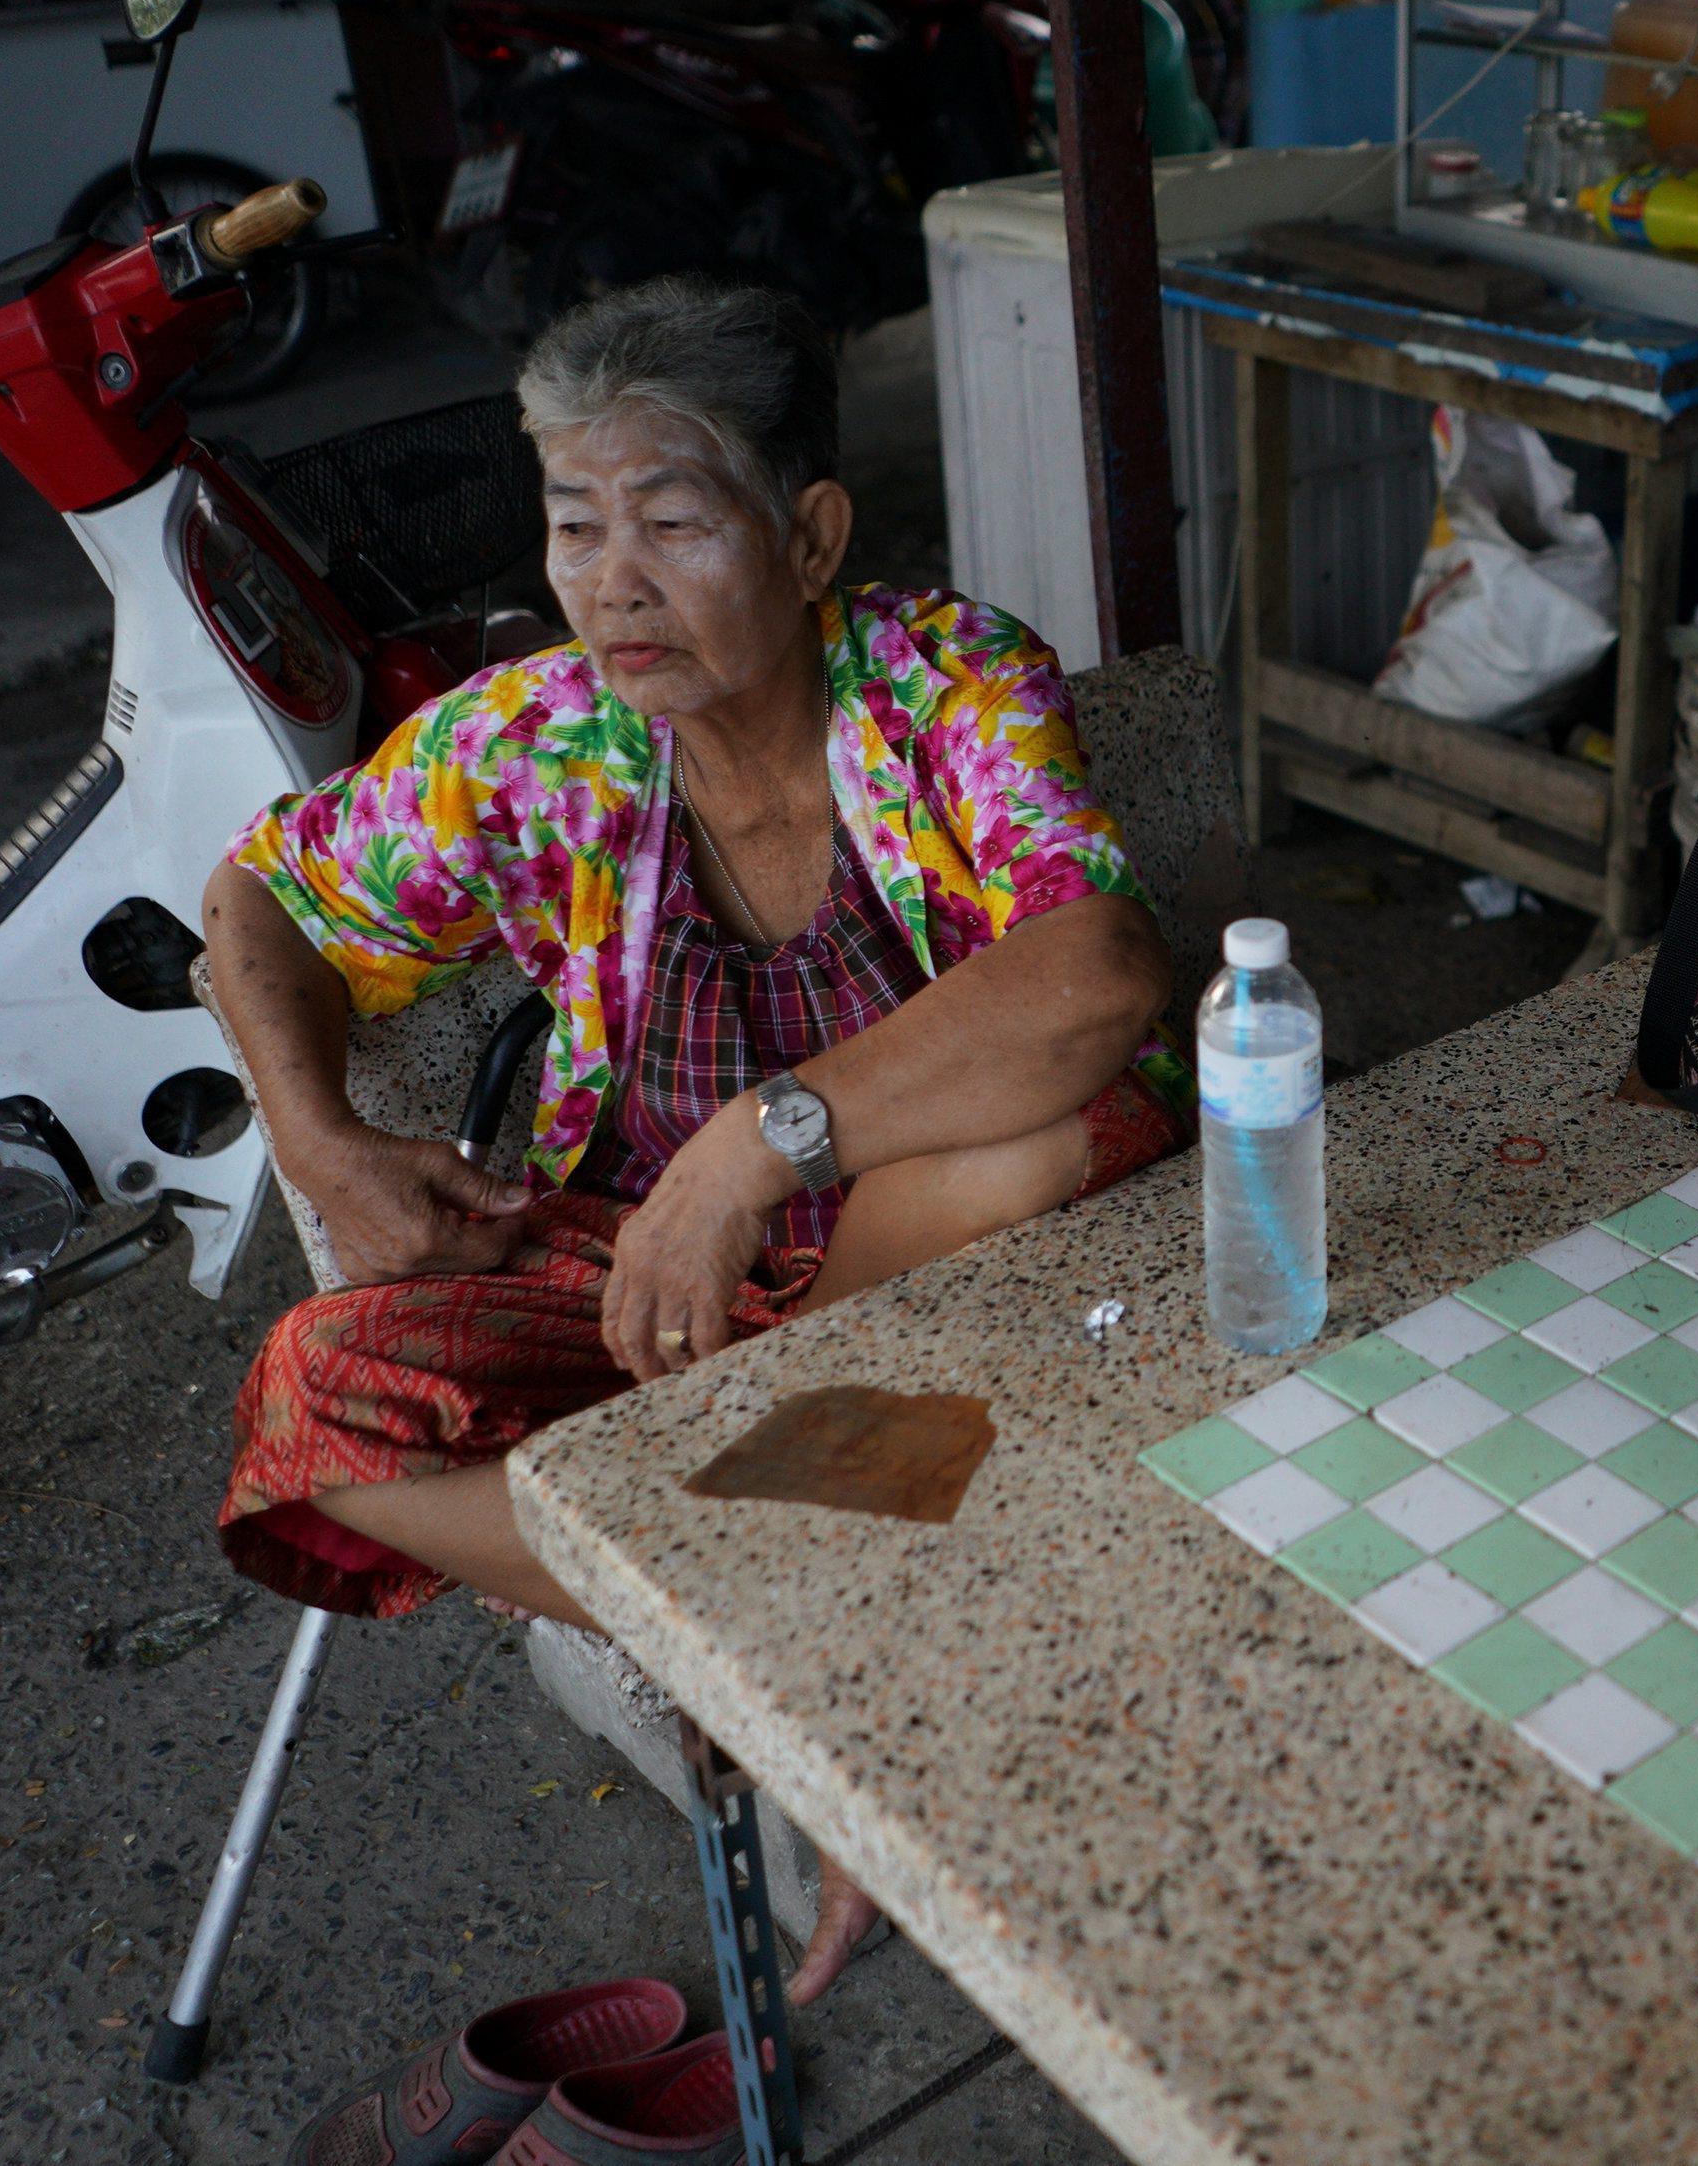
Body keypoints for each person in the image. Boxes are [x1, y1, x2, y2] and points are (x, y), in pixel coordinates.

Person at [201, 276, 1190, 2000]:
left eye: (669, 519)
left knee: (1055, 1127)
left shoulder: (949, 680)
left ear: (808, 537)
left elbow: (1097, 967)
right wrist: (326, 1135)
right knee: (319, 1394)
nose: (610, 581)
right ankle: (802, 1627)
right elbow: (256, 895)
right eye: (575, 525)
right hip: (654, 1286)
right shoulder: (536, 736)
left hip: (955, 1288)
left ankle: (773, 1595)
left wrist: (756, 1144)